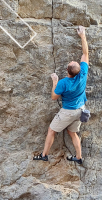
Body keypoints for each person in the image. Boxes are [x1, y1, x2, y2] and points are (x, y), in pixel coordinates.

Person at [34, 25, 89, 165]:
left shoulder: (63, 83)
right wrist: (83, 36)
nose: (74, 60)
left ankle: (44, 155)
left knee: (51, 130)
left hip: (68, 112)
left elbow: (54, 97)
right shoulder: (82, 75)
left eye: (72, 62)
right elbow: (85, 54)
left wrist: (54, 82)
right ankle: (78, 157)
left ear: (68, 70)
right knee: (72, 133)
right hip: (81, 110)